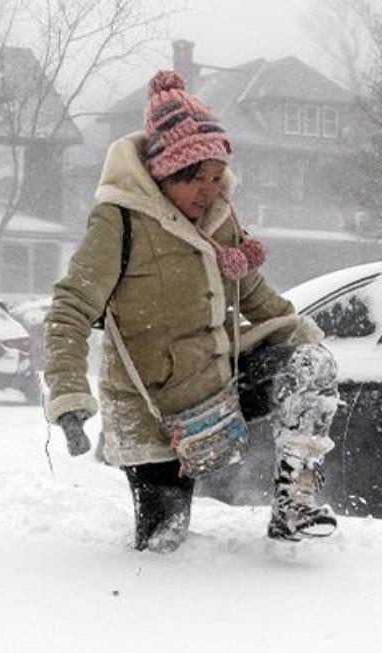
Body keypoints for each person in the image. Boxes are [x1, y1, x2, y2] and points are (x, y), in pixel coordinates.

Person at [43, 70, 340, 553]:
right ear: (165, 172)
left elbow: (256, 295)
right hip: (152, 410)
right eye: (196, 178)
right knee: (165, 545)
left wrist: (312, 342)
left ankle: (295, 504)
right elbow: (70, 307)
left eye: (217, 177)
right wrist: (69, 393)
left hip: (219, 383)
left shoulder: (219, 221)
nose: (209, 190)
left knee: (309, 364)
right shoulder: (119, 220)